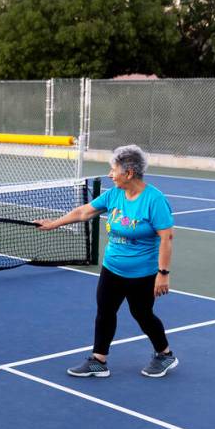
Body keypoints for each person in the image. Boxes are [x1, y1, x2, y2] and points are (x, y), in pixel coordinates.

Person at [37, 145, 177, 378]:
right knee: (105, 311)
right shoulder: (114, 195)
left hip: (142, 272)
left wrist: (163, 273)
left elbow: (167, 238)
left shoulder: (154, 200)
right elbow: (84, 212)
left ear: (129, 173)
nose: (110, 174)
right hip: (112, 268)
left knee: (142, 314)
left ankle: (165, 354)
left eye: (114, 170)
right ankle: (98, 360)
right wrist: (53, 224)